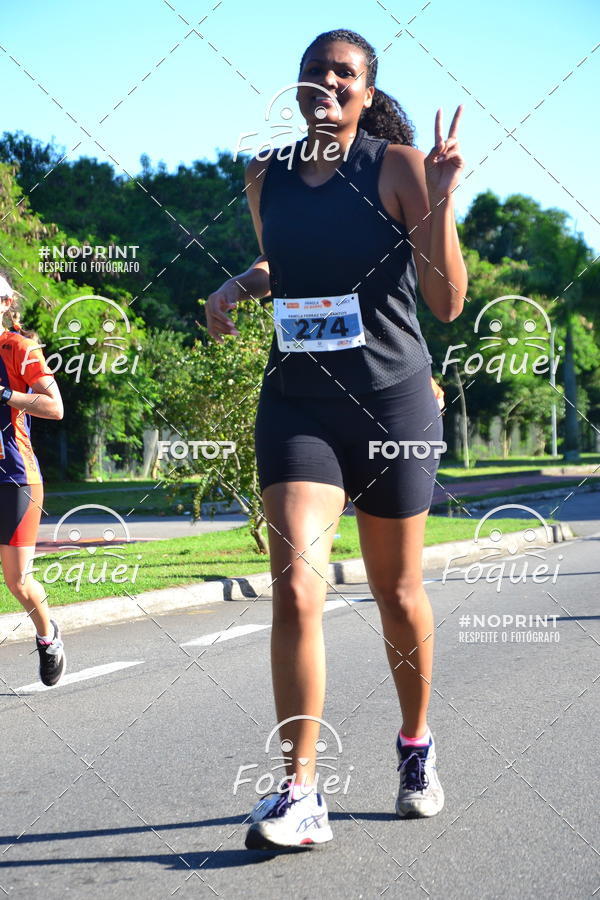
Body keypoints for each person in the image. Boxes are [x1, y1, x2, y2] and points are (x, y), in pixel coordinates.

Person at [206, 28, 467, 850]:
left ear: (364, 93)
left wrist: (443, 198)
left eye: (343, 74)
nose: (326, 82)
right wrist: (243, 282)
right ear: (296, 86)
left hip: (391, 407)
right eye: (314, 70)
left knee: (394, 594)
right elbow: (292, 262)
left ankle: (416, 748)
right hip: (298, 406)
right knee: (295, 588)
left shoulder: (395, 168)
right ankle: (299, 791)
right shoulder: (264, 176)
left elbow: (447, 299)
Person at [0, 273, 65, 686]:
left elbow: (54, 406)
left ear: (6, 304)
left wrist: (5, 395)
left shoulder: (18, 348)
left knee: (18, 580)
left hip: (14, 477)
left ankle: (48, 636)